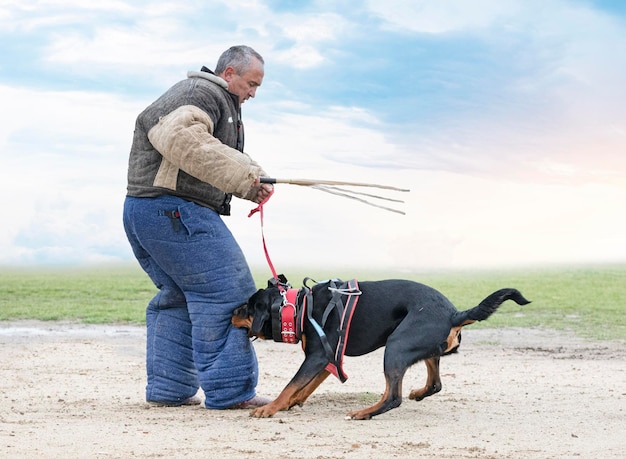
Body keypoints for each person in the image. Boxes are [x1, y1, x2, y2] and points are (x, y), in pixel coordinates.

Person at [123, 45, 273, 409]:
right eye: (251, 83)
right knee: (228, 293)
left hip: (145, 211)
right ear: (229, 74)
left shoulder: (212, 100)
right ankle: (232, 392)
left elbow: (212, 152)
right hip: (174, 210)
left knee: (178, 296)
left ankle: (169, 390)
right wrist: (247, 178)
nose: (253, 93)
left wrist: (256, 180)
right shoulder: (200, 93)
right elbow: (182, 138)